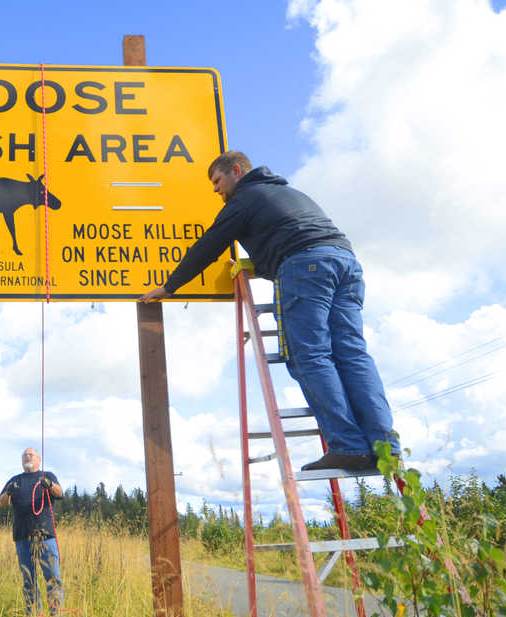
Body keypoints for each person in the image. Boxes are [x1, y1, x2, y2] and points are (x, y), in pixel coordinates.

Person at [139, 151, 399, 471]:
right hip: (345, 262)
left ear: (237, 171)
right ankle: (385, 445)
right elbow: (290, 236)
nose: (215, 190)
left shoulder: (246, 198)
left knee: (311, 355)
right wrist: (260, 265)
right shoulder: (289, 193)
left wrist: (170, 286)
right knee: (353, 354)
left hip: (306, 267)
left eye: (217, 181)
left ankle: (348, 446)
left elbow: (209, 245)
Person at [0, 448, 64, 616]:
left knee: (53, 577)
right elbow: (2, 502)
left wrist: (48, 484)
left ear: (38, 459)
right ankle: (34, 616)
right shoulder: (15, 480)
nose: (27, 457)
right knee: (29, 579)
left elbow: (59, 493)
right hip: (22, 536)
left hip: (45, 536)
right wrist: (8, 492)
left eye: (31, 455)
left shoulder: (47, 475)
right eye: (24, 455)